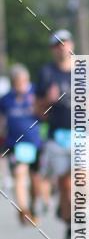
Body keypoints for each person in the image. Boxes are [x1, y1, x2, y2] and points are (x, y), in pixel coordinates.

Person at [35, 30, 74, 239]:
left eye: (64, 43)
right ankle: (70, 223)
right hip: (57, 136)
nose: (61, 47)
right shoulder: (46, 73)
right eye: (57, 44)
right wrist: (48, 101)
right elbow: (36, 108)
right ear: (52, 49)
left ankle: (73, 212)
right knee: (65, 184)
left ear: (71, 45)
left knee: (82, 181)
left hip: (82, 134)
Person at [0, 64, 43, 225]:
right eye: (16, 82)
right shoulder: (5, 100)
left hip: (36, 143)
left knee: (35, 180)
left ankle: (33, 206)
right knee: (19, 173)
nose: (20, 85)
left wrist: (37, 105)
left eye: (23, 81)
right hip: (15, 144)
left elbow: (46, 111)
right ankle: (23, 210)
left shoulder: (36, 94)